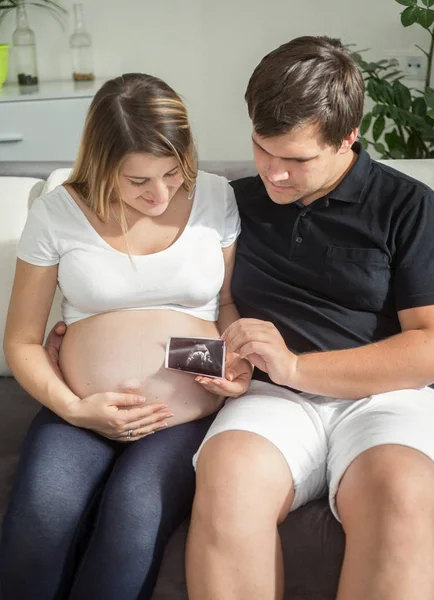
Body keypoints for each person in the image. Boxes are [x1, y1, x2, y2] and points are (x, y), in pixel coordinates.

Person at [185, 37, 434, 600]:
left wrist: (297, 367)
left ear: (348, 137)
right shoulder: (232, 202)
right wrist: (92, 337)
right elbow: (182, 304)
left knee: (405, 492)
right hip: (269, 400)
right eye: (261, 149)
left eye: (296, 160)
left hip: (384, 398)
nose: (273, 174)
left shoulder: (409, 207)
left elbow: (428, 347)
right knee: (226, 477)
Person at [0, 73, 252, 600]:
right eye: (138, 181)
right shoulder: (57, 214)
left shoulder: (214, 195)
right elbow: (22, 339)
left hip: (185, 413)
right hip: (82, 408)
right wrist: (73, 408)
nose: (160, 194)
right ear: (99, 164)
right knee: (41, 516)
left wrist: (234, 364)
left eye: (171, 172)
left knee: (135, 511)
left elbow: (226, 306)